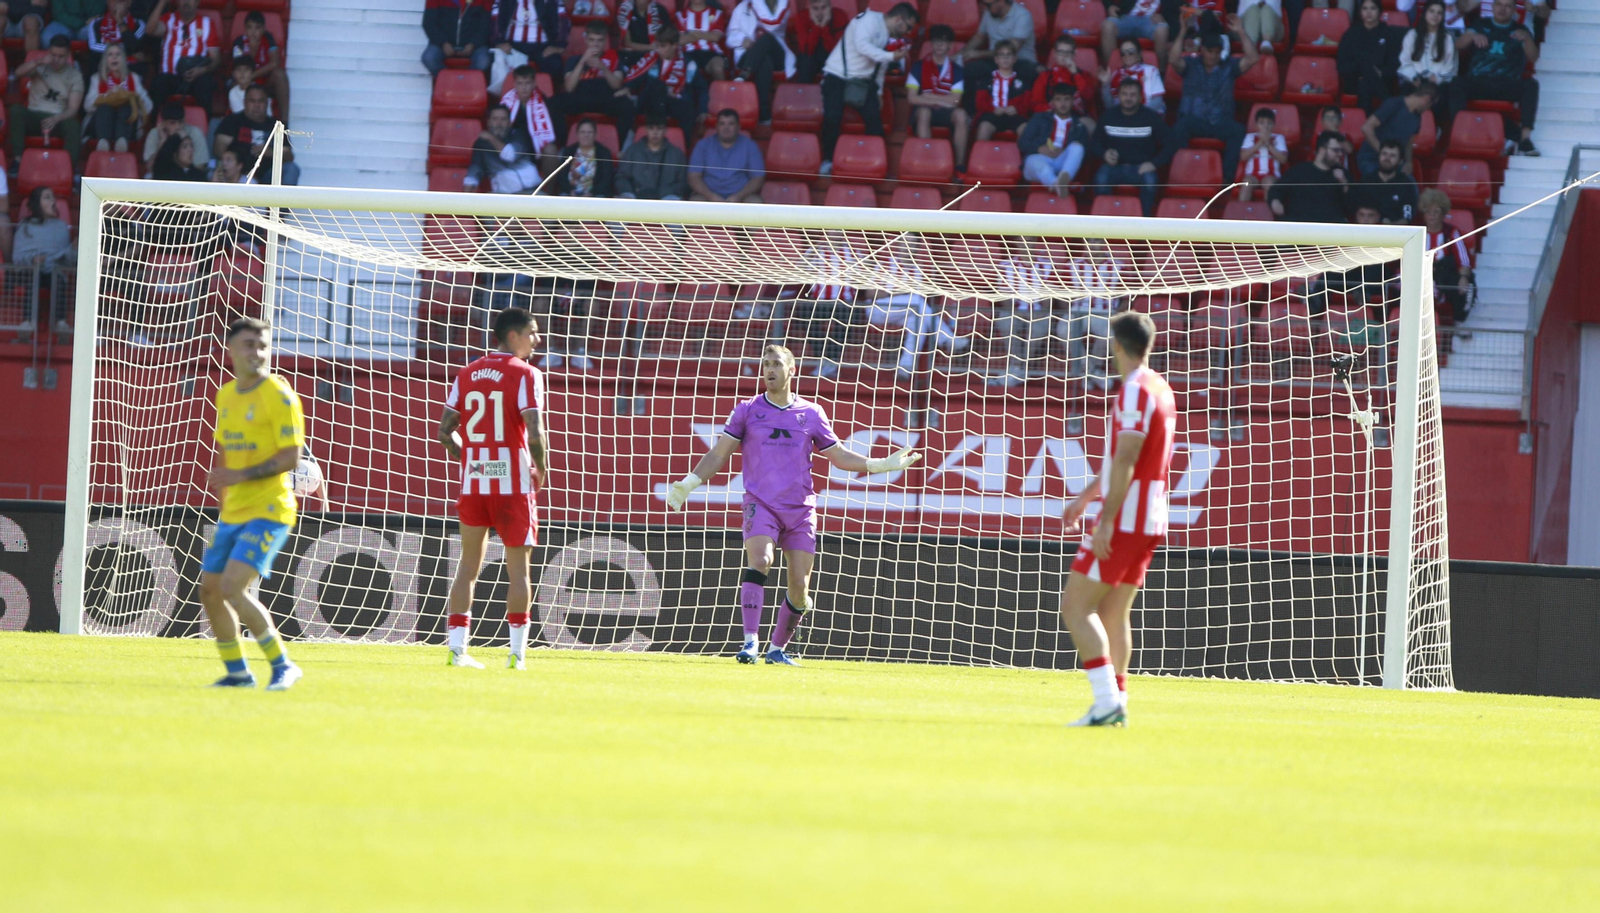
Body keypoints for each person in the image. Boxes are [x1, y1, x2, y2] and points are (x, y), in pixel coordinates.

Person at [664, 344, 920, 665]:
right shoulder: (747, 409)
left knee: (799, 587)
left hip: (800, 510)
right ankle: (750, 642)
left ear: (791, 370)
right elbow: (719, 453)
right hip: (761, 503)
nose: (769, 370)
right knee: (762, 559)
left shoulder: (811, 413)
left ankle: (777, 649)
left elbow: (838, 455)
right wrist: (689, 482)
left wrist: (879, 464)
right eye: (765, 364)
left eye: (776, 364)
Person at [1057, 311, 1174, 726]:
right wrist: (1087, 496)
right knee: (1114, 612)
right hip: (1151, 517)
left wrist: (1105, 519)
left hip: (1125, 517)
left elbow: (1125, 457)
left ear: (1117, 346)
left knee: (1076, 606)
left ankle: (1106, 700)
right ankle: (1117, 701)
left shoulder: (1133, 392)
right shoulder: (1161, 388)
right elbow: (1124, 458)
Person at [437, 307, 551, 670]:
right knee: (519, 570)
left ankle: (457, 652)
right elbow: (534, 430)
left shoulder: (467, 372)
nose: (538, 339)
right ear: (513, 336)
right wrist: (542, 468)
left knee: (467, 565)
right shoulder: (526, 373)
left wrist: (466, 456)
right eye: (532, 332)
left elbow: (444, 430)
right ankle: (516, 656)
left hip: (475, 481)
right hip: (512, 483)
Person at [198, 317, 306, 690]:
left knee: (232, 588)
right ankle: (238, 673)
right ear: (230, 350)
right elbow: (226, 452)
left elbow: (292, 457)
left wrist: (239, 478)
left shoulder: (279, 395)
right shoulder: (225, 395)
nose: (257, 353)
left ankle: (283, 665)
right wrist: (226, 493)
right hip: (235, 511)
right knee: (209, 591)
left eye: (262, 345)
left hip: (270, 510)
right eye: (248, 345)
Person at [818, 3, 918, 174]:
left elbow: (880, 66)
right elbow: (862, 47)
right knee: (832, 118)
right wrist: (892, 55)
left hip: (864, 81)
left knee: (874, 122)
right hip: (837, 75)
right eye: (908, 27)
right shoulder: (869, 20)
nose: (907, 32)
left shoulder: (889, 35)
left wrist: (878, 91)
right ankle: (828, 160)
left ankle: (876, 162)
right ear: (899, 19)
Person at [1168, 15, 1259, 186]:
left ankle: (1226, 179)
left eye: (1217, 52)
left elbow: (1253, 58)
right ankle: (1180, 172)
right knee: (1179, 127)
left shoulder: (1229, 66)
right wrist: (1182, 31)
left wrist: (1240, 31)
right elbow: (1173, 59)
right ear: (1202, 50)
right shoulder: (1190, 64)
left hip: (1220, 121)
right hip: (1194, 120)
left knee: (1239, 130)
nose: (1213, 55)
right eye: (1210, 51)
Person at [865, 236, 966, 378]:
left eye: (912, 243)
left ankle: (905, 368)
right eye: (905, 243)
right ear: (899, 245)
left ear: (917, 248)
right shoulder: (885, 264)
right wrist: (898, 290)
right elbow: (870, 293)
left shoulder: (917, 270)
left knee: (918, 322)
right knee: (916, 301)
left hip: (904, 312)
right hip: (878, 310)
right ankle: (947, 338)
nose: (908, 247)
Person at [1452, 0, 1538, 156]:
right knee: (1456, 83)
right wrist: (1472, 35)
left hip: (1506, 84)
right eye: (1499, 4)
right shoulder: (1479, 24)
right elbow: (1459, 45)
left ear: (1514, 10)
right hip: (1479, 81)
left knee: (1531, 85)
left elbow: (1533, 57)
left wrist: (1527, 38)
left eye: (1508, 6)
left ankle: (1525, 138)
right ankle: (1462, 129)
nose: (1502, 9)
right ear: (1492, 6)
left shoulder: (1521, 29)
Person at [1091, 77, 1170, 217]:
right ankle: (1105, 224)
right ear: (1118, 96)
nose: (1128, 98)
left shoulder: (1151, 117)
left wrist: (1153, 163)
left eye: (1133, 95)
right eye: (1124, 94)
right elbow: (1094, 143)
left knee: (1150, 182)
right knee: (1100, 178)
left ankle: (1143, 226)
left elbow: (1171, 145)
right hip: (1114, 167)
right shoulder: (1108, 116)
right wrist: (1104, 154)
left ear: (1140, 97)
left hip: (1141, 168)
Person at [552, 20, 637, 141]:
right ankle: (563, 143)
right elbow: (569, 88)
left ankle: (618, 144)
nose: (595, 44)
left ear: (605, 41)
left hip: (605, 98)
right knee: (554, 102)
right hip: (581, 98)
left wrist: (603, 67)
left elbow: (617, 85)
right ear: (586, 40)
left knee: (627, 106)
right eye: (592, 40)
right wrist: (582, 62)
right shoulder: (574, 60)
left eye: (600, 40)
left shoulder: (613, 58)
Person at [9, 36, 84, 165]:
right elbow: (17, 73)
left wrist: (56, 119)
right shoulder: (41, 66)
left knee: (73, 125)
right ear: (49, 52)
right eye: (53, 55)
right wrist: (38, 62)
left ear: (68, 55)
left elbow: (73, 108)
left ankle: (69, 167)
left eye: (61, 56)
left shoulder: (75, 76)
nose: (56, 60)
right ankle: (17, 159)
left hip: (57, 118)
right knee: (16, 110)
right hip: (33, 115)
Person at [905, 24, 969, 172]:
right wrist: (939, 100)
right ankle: (926, 161)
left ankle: (959, 165)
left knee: (961, 114)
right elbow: (912, 98)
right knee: (924, 113)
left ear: (949, 45)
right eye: (936, 41)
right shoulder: (919, 66)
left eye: (944, 41)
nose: (939, 44)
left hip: (945, 112)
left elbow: (956, 101)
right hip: (924, 110)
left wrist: (928, 96)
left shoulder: (957, 70)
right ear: (931, 44)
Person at [215, 84, 300, 184]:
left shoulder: (277, 126)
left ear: (267, 103)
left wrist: (270, 153)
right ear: (245, 102)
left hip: (267, 177)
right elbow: (218, 151)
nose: (257, 105)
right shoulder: (232, 121)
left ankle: (282, 199)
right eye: (252, 101)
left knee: (292, 169)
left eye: (261, 101)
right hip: (237, 175)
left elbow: (289, 156)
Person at [727, 0, 795, 124]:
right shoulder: (741, 8)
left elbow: (773, 25)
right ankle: (764, 115)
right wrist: (742, 39)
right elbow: (729, 38)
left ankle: (745, 74)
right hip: (748, 55)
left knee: (767, 38)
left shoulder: (782, 4)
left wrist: (755, 3)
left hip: (777, 54)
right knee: (765, 60)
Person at [622, 25, 698, 134]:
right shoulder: (650, 59)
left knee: (688, 110)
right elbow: (635, 77)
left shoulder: (688, 63)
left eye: (663, 46)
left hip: (673, 100)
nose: (658, 50)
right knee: (658, 86)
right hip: (651, 103)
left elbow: (701, 88)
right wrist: (627, 88)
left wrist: (703, 111)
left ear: (674, 46)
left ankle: (684, 147)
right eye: (657, 46)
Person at [147, 0, 221, 109]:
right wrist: (162, 2)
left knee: (206, 83)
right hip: (169, 77)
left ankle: (203, 124)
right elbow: (149, 30)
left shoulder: (207, 23)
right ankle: (156, 124)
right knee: (158, 84)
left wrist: (202, 71)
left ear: (197, 2)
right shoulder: (169, 19)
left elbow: (216, 60)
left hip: (196, 77)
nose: (186, 2)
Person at [1021, 83, 1089, 197]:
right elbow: (1022, 142)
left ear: (1073, 101)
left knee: (1078, 147)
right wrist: (1039, 148)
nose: (1063, 104)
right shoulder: (1039, 118)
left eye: (1066, 99)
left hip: (1062, 163)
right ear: (1052, 102)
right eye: (1058, 100)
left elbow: (1085, 154)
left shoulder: (1079, 126)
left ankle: (1062, 179)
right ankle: (1058, 184)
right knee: (1040, 166)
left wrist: (1064, 151)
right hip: (1039, 158)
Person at [1269, 130, 1350, 222]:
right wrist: (1275, 202)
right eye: (1336, 150)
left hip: (1329, 230)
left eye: (1341, 151)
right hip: (1298, 227)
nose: (1340, 154)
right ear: (1322, 150)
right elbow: (1276, 190)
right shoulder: (1299, 170)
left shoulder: (1343, 175)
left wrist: (1344, 182)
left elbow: (1351, 206)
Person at [84, 42, 149, 154]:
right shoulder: (96, 78)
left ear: (123, 59)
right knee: (104, 107)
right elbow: (87, 106)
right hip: (100, 127)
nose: (114, 57)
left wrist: (133, 98)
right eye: (110, 54)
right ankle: (103, 143)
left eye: (118, 54)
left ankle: (121, 142)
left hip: (127, 128)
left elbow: (148, 105)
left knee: (126, 106)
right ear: (105, 60)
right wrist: (106, 96)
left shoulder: (134, 78)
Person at [1420, 187, 1473, 326]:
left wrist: (1464, 277)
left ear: (1443, 214)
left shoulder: (1452, 232)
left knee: (1466, 285)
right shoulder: (1417, 232)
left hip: (1444, 276)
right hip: (1421, 276)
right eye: (1428, 212)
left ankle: (1459, 322)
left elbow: (1463, 259)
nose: (1432, 216)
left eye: (1436, 212)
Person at [1357, 81, 1434, 176]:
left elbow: (1408, 142)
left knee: (1410, 187)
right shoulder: (1394, 104)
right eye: (1431, 105)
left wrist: (1408, 163)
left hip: (1394, 164)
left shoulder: (1417, 117)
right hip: (1371, 159)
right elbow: (1367, 127)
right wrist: (1383, 153)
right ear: (1426, 99)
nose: (1429, 109)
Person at [689, 107, 764, 201]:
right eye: (722, 124)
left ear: (738, 127)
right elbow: (694, 176)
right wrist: (711, 196)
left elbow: (758, 178)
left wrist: (738, 196)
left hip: (741, 196)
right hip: (708, 196)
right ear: (716, 126)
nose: (726, 128)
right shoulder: (703, 145)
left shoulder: (750, 146)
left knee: (755, 202)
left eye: (731, 124)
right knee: (695, 202)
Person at [1337, 0, 1400, 113]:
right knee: (1365, 78)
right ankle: (1390, 108)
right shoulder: (1351, 34)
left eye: (1373, 8)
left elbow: (1395, 63)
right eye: (1365, 8)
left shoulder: (1389, 34)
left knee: (1366, 83)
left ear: (1380, 11)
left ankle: (1364, 123)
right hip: (1355, 80)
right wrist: (1362, 69)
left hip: (1383, 80)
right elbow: (1342, 65)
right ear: (1360, 12)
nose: (1369, 12)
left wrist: (1381, 73)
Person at [465, 104, 542, 193]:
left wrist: (491, 138)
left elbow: (510, 155)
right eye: (495, 119)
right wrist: (463, 198)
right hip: (504, 195)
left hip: (532, 191)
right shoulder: (481, 144)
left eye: (503, 119)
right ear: (489, 122)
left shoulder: (519, 135)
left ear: (510, 122)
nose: (499, 123)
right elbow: (475, 170)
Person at [502, 63, 562, 171]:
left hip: (536, 148)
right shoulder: (506, 103)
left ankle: (547, 188)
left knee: (551, 150)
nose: (524, 87)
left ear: (534, 83)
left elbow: (558, 131)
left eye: (527, 83)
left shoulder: (547, 104)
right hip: (514, 144)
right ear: (515, 84)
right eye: (520, 83)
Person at [965, 0, 1037, 89]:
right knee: (969, 69)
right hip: (995, 61)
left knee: (1029, 72)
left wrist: (979, 54)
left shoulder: (1022, 15)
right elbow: (979, 37)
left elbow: (1012, 49)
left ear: (1001, 2)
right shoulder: (989, 13)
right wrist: (961, 54)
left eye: (988, 5)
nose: (985, 8)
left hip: (1019, 61)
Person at [231, 10, 289, 121]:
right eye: (250, 28)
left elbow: (275, 62)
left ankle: (284, 122)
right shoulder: (239, 42)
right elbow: (239, 69)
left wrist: (252, 76)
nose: (253, 32)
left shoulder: (268, 38)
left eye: (257, 28)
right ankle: (239, 122)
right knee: (235, 83)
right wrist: (252, 51)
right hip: (245, 82)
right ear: (245, 28)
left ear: (263, 29)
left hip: (263, 82)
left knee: (280, 74)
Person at [1031, 34, 1099, 128]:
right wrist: (1054, 108)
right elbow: (1036, 105)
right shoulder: (1045, 76)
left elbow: (1088, 97)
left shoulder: (1083, 75)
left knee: (1092, 126)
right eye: (1061, 52)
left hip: (1076, 118)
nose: (1064, 56)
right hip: (1051, 117)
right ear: (1055, 53)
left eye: (1068, 53)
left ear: (1074, 54)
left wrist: (1075, 74)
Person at [616, 113, 688, 199]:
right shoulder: (632, 151)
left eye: (659, 129)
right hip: (635, 196)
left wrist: (666, 193)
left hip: (666, 198)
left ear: (665, 131)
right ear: (646, 130)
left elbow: (682, 182)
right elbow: (621, 177)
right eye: (651, 128)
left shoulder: (676, 154)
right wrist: (631, 192)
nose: (655, 133)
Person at [973, 40, 1033, 142]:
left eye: (1009, 55)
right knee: (984, 127)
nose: (1005, 58)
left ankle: (1024, 158)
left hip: (1014, 115)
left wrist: (1016, 109)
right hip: (992, 115)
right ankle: (980, 157)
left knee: (1025, 128)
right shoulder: (987, 80)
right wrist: (993, 109)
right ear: (996, 59)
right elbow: (980, 102)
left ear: (1014, 59)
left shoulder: (1023, 81)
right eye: (1001, 55)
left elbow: (1027, 104)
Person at [1398, 0, 1457, 100]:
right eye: (1431, 11)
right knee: (1406, 91)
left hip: (1438, 83)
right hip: (1415, 81)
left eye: (1439, 13)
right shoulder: (1412, 35)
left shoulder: (1447, 38)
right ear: (1425, 13)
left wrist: (1437, 79)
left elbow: (1450, 67)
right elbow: (1405, 62)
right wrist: (1414, 77)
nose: (1435, 15)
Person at [495, 0, 569, 78]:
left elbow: (562, 20)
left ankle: (543, 89)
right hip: (512, 45)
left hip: (541, 46)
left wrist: (558, 46)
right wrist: (499, 43)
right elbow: (495, 19)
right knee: (496, 60)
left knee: (554, 63)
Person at [14, 185, 74, 276]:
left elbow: (67, 259)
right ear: (37, 203)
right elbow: (17, 257)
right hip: (29, 273)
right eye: (47, 197)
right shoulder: (25, 226)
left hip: (54, 275)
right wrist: (32, 259)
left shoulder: (61, 226)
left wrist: (74, 248)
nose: (53, 200)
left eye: (53, 197)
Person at [423, 0, 492, 75]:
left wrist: (473, 44)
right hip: (443, 43)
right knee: (429, 58)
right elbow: (429, 23)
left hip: (474, 44)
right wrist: (443, 43)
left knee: (483, 62)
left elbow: (486, 25)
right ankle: (449, 81)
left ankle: (467, 82)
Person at [1360, 140, 1419, 224]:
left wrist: (1390, 226)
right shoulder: (1367, 181)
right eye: (1384, 154)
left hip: (1397, 232)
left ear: (1400, 161)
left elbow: (1407, 218)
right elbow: (1360, 213)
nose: (1387, 158)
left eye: (1392, 155)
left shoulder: (1406, 184)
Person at [1101, 38, 1164, 114]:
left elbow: (1157, 101)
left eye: (1131, 52)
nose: (1127, 55)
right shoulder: (1116, 74)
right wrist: (1106, 85)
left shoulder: (1151, 71)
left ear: (1139, 54)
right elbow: (1109, 106)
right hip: (1123, 118)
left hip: (1148, 115)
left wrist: (1138, 115)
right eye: (1123, 53)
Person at [84, 0, 147, 78]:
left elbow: (134, 46)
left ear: (129, 3)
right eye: (113, 1)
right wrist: (124, 52)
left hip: (130, 71)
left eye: (121, 1)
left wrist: (119, 21)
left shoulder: (139, 24)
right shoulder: (95, 24)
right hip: (103, 71)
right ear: (107, 2)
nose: (117, 4)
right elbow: (94, 47)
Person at [1101, 0, 1169, 71]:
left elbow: (1173, 8)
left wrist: (1163, 16)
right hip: (1125, 16)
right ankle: (1110, 73)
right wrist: (1109, 6)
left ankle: (1160, 74)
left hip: (1151, 19)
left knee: (1162, 29)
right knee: (1108, 26)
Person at [143, 101, 207, 176]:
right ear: (164, 123)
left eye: (180, 122)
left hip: (186, 175)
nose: (178, 127)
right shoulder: (155, 133)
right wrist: (162, 142)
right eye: (172, 123)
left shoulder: (195, 133)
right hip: (162, 175)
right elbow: (150, 168)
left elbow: (199, 167)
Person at [1238, 106, 1287, 202]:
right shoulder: (1250, 137)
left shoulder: (1279, 138)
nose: (1265, 126)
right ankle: (1242, 213)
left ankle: (1267, 214)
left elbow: (1283, 159)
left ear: (1274, 125)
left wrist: (1268, 144)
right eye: (1261, 123)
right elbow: (1243, 157)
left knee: (1269, 183)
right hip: (1252, 174)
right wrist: (1260, 142)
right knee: (1247, 183)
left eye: (1269, 123)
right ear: (1256, 125)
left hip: (1271, 175)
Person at [556, 118, 616, 196]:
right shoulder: (569, 151)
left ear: (595, 135)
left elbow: (606, 179)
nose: (586, 135)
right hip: (570, 193)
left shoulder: (603, 152)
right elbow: (561, 176)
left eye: (589, 132)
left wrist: (592, 193)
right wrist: (570, 191)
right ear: (577, 134)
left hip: (595, 194)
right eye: (582, 132)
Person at [792, 0, 847, 84]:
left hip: (831, 57)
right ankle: (803, 93)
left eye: (824, 7)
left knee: (836, 64)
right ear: (810, 8)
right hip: (810, 58)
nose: (820, 12)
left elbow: (836, 51)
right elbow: (807, 50)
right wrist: (817, 25)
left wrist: (824, 26)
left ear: (830, 6)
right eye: (815, 8)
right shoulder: (801, 17)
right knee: (806, 61)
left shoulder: (840, 16)